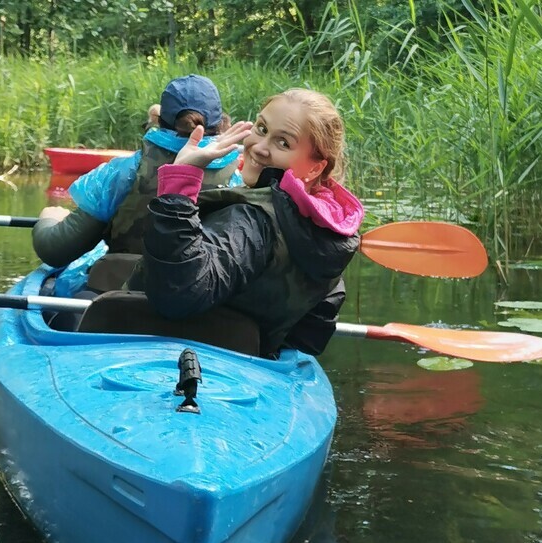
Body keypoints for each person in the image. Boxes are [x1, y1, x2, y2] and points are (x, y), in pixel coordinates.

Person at [126, 88, 365, 357]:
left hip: (161, 356)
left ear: (315, 167)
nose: (260, 148)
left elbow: (177, 294)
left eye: (283, 143)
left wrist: (180, 185)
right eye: (262, 129)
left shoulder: (252, 220)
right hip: (251, 374)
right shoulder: (328, 232)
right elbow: (310, 335)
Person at [32, 74, 241, 295]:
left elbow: (55, 250)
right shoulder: (238, 182)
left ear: (160, 121)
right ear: (221, 125)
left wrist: (48, 219)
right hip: (199, 305)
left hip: (117, 300)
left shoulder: (123, 173)